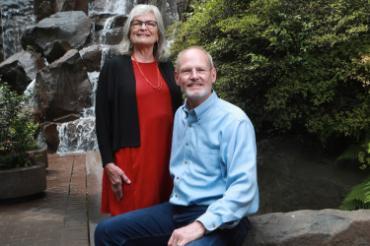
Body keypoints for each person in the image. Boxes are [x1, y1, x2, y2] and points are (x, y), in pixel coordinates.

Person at [94, 46, 259, 246]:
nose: (194, 76)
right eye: (187, 71)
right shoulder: (180, 115)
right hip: (178, 209)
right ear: (177, 78)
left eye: (201, 70)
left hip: (221, 217)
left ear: (213, 75)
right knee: (106, 232)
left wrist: (200, 225)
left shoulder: (234, 121)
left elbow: (244, 189)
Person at [95, 4, 182, 216]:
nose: (143, 27)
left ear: (158, 32)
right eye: (137, 23)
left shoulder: (168, 67)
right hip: (131, 158)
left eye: (150, 23)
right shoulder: (114, 67)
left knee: (164, 221)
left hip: (169, 158)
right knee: (131, 221)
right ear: (129, 30)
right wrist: (108, 162)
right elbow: (102, 119)